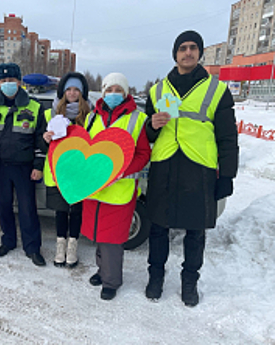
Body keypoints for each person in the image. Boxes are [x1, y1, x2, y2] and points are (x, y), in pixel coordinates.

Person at [144, 30, 239, 306]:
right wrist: (152, 126)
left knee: (195, 231)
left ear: (200, 53)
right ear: (175, 54)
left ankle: (189, 283)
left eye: (193, 48)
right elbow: (147, 136)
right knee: (158, 228)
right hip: (164, 164)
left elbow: (227, 138)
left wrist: (228, 175)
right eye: (182, 48)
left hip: (199, 168)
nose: (188, 52)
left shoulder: (216, 89)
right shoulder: (158, 90)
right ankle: (156, 278)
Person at [82, 73, 151, 300]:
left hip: (120, 188)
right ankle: (102, 272)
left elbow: (143, 154)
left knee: (113, 238)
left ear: (125, 92)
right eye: (109, 90)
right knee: (98, 234)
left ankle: (112, 281)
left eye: (117, 90)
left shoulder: (137, 119)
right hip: (95, 188)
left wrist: (124, 169)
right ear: (102, 93)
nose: (113, 94)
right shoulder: (92, 117)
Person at [0, 63, 47, 267]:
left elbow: (40, 141)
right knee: (4, 206)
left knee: (27, 208)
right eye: (4, 81)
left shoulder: (34, 106)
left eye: (12, 80)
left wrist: (38, 166)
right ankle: (8, 241)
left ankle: (32, 248)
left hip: (25, 168)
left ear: (19, 82)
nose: (8, 84)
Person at [42, 72, 91, 268]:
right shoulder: (50, 114)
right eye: (68, 89)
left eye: (76, 89)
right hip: (58, 170)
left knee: (77, 210)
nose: (72, 93)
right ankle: (60, 245)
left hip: (80, 171)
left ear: (82, 92)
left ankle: (73, 246)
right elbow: (41, 144)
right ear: (63, 92)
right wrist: (45, 139)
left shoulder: (90, 116)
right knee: (61, 211)